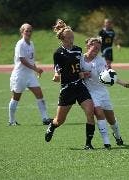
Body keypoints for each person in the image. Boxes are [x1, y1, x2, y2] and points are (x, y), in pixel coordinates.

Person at [45, 19, 96, 150]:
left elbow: (79, 67)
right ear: (63, 38)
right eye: (69, 37)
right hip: (67, 89)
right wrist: (56, 75)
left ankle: (88, 144)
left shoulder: (78, 50)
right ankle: (52, 125)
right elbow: (57, 68)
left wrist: (83, 73)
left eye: (72, 36)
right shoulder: (58, 53)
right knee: (60, 121)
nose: (72, 38)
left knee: (90, 112)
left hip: (79, 86)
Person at [81, 37, 129, 149]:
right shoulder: (80, 59)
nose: (96, 51)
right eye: (95, 48)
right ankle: (106, 142)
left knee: (111, 119)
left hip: (102, 92)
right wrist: (81, 74)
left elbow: (108, 76)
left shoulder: (100, 60)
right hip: (90, 92)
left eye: (98, 49)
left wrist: (122, 83)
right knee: (99, 113)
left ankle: (118, 136)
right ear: (88, 46)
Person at [8, 23, 52, 126]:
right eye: (26, 30)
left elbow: (31, 60)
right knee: (16, 97)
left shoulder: (31, 43)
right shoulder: (20, 44)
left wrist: (35, 69)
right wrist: (35, 68)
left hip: (30, 75)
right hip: (20, 75)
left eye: (30, 30)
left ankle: (45, 118)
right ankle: (11, 121)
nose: (28, 32)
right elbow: (22, 60)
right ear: (22, 32)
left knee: (39, 94)